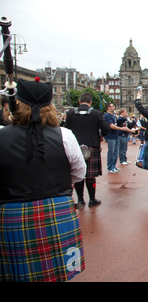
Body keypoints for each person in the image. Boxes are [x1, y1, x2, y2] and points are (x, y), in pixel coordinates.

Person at [0, 77, 86, 281]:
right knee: (59, 274)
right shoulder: (65, 135)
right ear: (50, 106)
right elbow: (79, 174)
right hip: (58, 209)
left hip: (12, 214)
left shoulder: (1, 135)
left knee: (15, 274)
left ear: (16, 104)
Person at [64, 92, 110, 209]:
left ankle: (80, 200)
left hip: (75, 147)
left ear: (79, 101)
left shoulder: (70, 113)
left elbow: (65, 130)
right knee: (90, 176)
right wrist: (100, 136)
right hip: (92, 146)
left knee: (78, 175)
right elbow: (106, 129)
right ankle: (92, 200)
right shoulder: (96, 113)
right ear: (90, 102)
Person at [104, 103, 135, 173]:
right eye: (112, 106)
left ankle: (113, 166)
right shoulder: (107, 116)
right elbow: (111, 126)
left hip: (115, 135)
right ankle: (110, 167)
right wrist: (122, 128)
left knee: (116, 152)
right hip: (111, 136)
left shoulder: (112, 116)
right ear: (108, 108)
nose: (113, 107)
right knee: (111, 152)